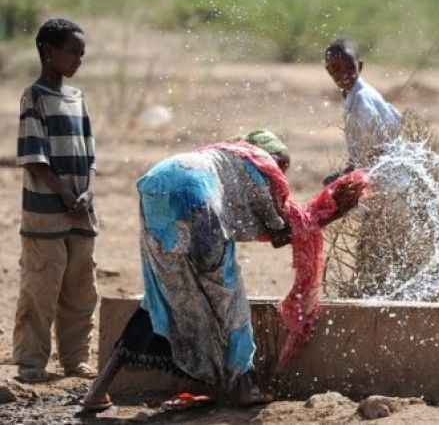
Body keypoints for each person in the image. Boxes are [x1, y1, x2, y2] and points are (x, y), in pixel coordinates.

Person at [81, 130, 366, 411]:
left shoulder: (220, 156)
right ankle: (245, 387)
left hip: (157, 186)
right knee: (228, 297)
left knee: (160, 295)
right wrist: (330, 212)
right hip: (197, 201)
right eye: (283, 168)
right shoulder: (261, 165)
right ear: (273, 157)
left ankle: (97, 391)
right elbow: (281, 231)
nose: (282, 179)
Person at [13, 18, 98, 383]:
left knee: (80, 289)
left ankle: (75, 359)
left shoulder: (77, 99)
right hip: (46, 214)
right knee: (41, 288)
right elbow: (35, 159)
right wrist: (65, 195)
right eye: (72, 52)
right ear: (48, 52)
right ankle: (31, 362)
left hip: (80, 212)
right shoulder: (34, 98)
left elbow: (89, 156)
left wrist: (86, 192)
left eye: (82, 53)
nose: (79, 59)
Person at [323, 38, 402, 184]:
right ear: (329, 71)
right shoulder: (352, 95)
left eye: (349, 67)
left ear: (359, 66)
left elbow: (378, 149)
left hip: (389, 174)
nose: (344, 74)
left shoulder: (362, 100)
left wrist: (350, 174)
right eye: (336, 69)